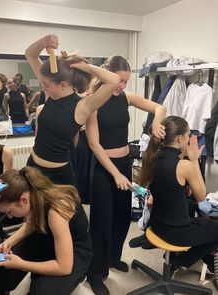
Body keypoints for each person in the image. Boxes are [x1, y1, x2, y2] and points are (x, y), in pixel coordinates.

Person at [85, 55, 166, 295]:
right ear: (106, 75)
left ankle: (112, 258)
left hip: (124, 163)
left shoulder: (126, 98)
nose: (121, 86)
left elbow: (159, 107)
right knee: (101, 220)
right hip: (102, 166)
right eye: (119, 80)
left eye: (125, 82)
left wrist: (155, 123)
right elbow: (94, 145)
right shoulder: (93, 102)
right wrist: (115, 174)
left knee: (121, 217)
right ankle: (95, 273)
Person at [25, 34, 119, 185]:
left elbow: (113, 80)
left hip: (59, 177)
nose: (44, 88)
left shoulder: (83, 106)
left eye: (46, 85)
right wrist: (44, 42)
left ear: (62, 85)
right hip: (33, 168)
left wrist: (84, 67)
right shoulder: (51, 92)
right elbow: (30, 54)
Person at [0, 166, 92, 295]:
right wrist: (8, 243)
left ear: (23, 200)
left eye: (9, 212)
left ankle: (78, 276)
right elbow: (32, 223)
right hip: (45, 234)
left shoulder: (57, 212)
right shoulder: (32, 194)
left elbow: (64, 267)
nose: (9, 217)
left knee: (41, 291)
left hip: (72, 252)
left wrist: (21, 264)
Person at [140, 116, 218, 273]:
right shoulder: (184, 166)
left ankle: (193, 258)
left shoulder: (152, 156)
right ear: (180, 138)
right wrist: (194, 160)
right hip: (175, 233)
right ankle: (178, 261)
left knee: (191, 206)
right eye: (188, 135)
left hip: (157, 224)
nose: (189, 139)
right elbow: (202, 197)